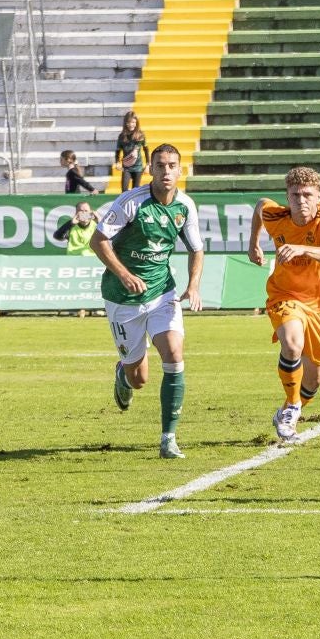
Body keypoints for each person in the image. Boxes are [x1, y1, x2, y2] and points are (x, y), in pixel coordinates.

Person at [90, 144, 202, 459]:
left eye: (172, 165)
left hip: (162, 292)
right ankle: (123, 372)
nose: (166, 171)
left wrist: (193, 285)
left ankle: (168, 438)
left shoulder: (185, 206)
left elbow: (196, 249)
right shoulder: (131, 203)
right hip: (122, 296)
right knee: (137, 379)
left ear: (181, 170)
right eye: (160, 165)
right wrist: (125, 274)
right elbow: (97, 240)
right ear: (150, 169)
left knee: (174, 353)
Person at [246, 166, 320, 441]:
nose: (301, 201)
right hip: (284, 295)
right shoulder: (275, 216)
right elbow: (259, 207)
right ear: (287, 197)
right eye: (295, 195)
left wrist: (303, 248)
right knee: (292, 343)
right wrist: (254, 243)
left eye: (307, 195)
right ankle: (291, 407)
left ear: (318, 196)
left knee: (314, 380)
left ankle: (288, 409)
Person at [113, 112, 149, 191]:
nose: (131, 124)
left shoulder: (140, 135)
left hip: (138, 167)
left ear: (136, 123)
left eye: (133, 122)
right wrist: (117, 162)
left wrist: (147, 165)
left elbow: (146, 150)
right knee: (124, 190)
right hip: (126, 167)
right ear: (125, 123)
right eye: (128, 122)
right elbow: (118, 151)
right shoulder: (122, 136)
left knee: (135, 190)